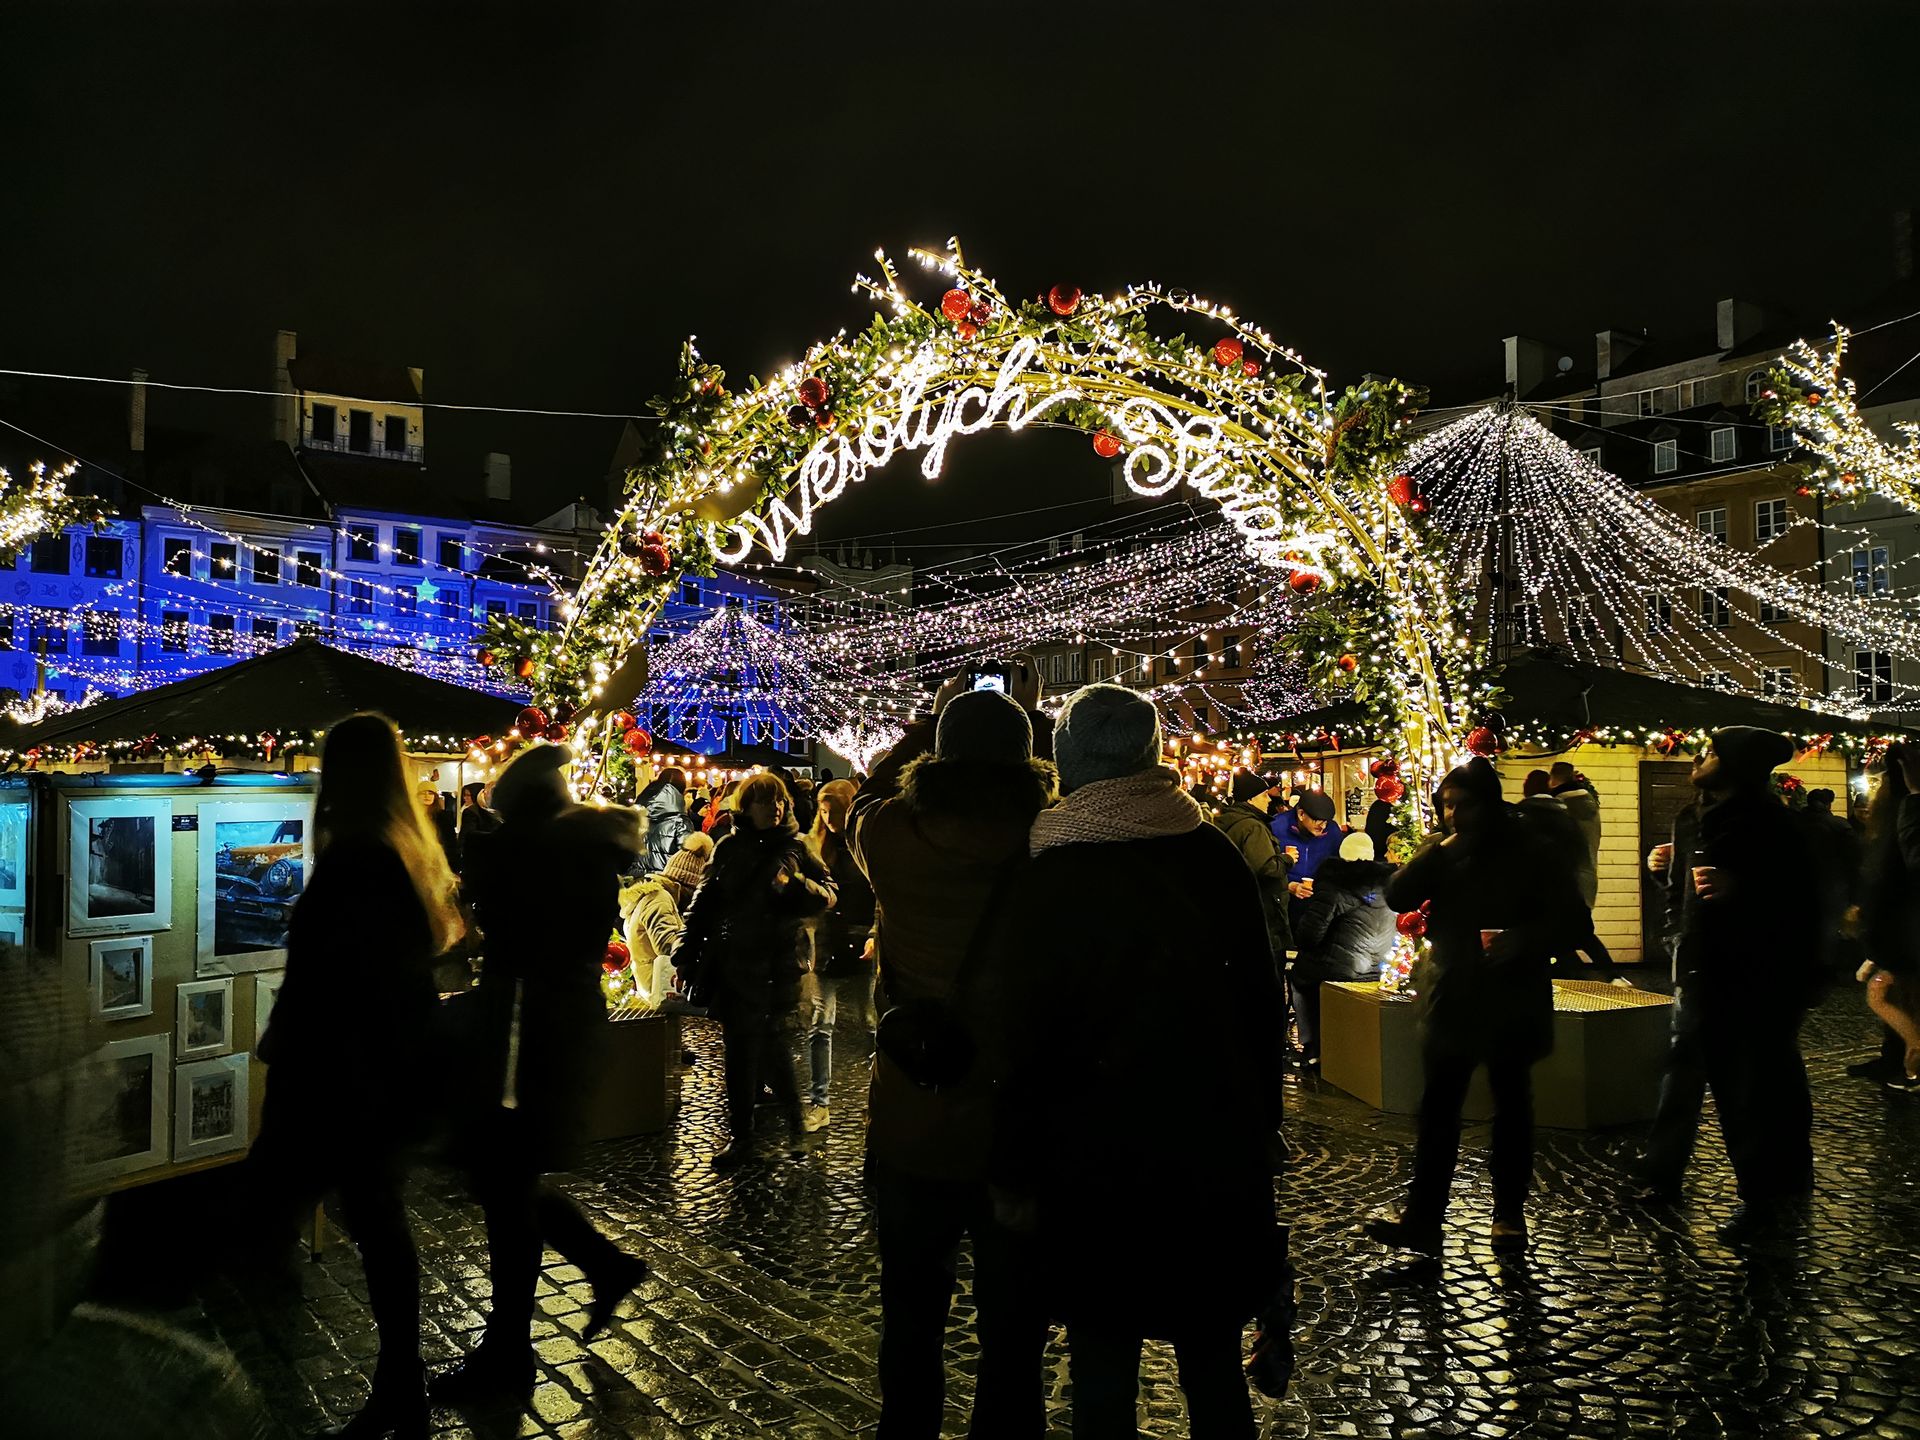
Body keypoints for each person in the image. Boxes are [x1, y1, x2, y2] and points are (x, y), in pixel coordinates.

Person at [985, 685, 1286, 1440]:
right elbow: (1260, 998)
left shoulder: (1052, 867)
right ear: (1151, 757)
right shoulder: (1210, 851)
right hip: (1208, 1139)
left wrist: (1014, 1167)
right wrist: (1263, 1125)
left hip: (1092, 1156)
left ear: (1069, 763)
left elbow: (1022, 1032)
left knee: (1102, 1361)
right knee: (1211, 1356)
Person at [849, 664, 1055, 1440]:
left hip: (916, 1102)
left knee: (910, 1308)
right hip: (1016, 1113)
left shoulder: (892, 837)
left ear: (937, 756)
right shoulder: (1050, 841)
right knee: (1015, 1320)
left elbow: (866, 796)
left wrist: (928, 724)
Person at [255, 714, 465, 1439]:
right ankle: (398, 1385)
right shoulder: (401, 853)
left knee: (299, 1222)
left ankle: (271, 1389)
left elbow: (327, 975)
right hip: (381, 1070)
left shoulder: (357, 860)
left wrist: (283, 1038)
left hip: (344, 1076)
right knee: (377, 1224)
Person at [436, 743, 650, 1404]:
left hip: (530, 1035)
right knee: (506, 1180)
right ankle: (597, 1273)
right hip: (543, 1029)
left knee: (505, 1180)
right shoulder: (578, 851)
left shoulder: (547, 857)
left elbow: (502, 922)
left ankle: (509, 1352)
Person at [1365, 758, 1584, 1255]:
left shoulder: (1533, 850)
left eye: (1462, 805)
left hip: (1513, 993)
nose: (1452, 814)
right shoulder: (1445, 851)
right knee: (1439, 1109)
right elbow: (1399, 894)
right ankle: (1424, 1218)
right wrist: (1440, 850)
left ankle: (1509, 1215)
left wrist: (1525, 939)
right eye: (1446, 805)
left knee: (1511, 1106)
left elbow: (1572, 919)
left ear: (1489, 803)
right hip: (1455, 994)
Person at [1635, 727, 1818, 1234]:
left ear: (1738, 765)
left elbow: (1800, 903)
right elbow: (1682, 896)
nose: (1700, 758)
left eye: (1712, 752)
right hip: (1697, 969)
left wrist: (1745, 890)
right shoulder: (1691, 818)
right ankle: (1663, 1176)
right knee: (1683, 1076)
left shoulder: (1771, 825)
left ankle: (1765, 1197)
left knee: (1750, 1087)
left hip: (1751, 974)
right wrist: (1669, 908)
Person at [672, 771, 836, 1168]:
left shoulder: (797, 846)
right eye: (766, 801)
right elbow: (704, 902)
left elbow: (828, 892)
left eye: (780, 801)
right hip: (736, 965)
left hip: (779, 967)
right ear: (746, 807)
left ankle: (795, 1126)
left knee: (771, 1048)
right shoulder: (728, 847)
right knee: (741, 1052)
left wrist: (797, 885)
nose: (776, 808)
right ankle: (743, 1136)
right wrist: (685, 950)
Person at [801, 778, 876, 1130]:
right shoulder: (815, 848)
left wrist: (875, 933)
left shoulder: (865, 845)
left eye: (834, 810)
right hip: (829, 945)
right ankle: (820, 1102)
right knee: (820, 1023)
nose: (829, 817)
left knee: (873, 1023)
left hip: (862, 942)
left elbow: (881, 894)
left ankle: (878, 1099)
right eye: (824, 810)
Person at [1289, 832, 1397, 1066]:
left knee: (1300, 977)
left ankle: (1312, 1047)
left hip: (1341, 969)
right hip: (1380, 966)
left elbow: (1308, 936)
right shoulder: (1388, 887)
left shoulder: (1334, 886)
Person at [1522, 770, 1624, 983]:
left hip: (1543, 888)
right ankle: (1612, 976)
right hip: (1571, 884)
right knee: (1582, 934)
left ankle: (1575, 976)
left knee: (1556, 936)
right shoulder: (1567, 816)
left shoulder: (1524, 816)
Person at [1858, 747, 1920, 1092]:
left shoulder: (1902, 814)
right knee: (1894, 997)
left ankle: (1913, 1060)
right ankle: (1905, 1062)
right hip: (1900, 935)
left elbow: (1899, 873)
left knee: (1883, 995)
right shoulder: (1901, 814)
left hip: (1904, 935)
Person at [1213, 769, 1294, 975]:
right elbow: (1266, 867)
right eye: (1264, 795)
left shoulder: (1230, 821)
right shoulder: (1253, 827)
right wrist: (1287, 859)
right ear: (1251, 798)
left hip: (1240, 912)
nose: (1268, 799)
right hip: (1265, 913)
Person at [621, 833, 713, 1009]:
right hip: (661, 989)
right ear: (687, 886)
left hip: (654, 988)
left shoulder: (657, 896)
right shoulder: (660, 898)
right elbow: (667, 946)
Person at [1272, 790, 1345, 922]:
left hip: (1319, 906)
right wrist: (1288, 885)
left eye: (1326, 821)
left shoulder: (1332, 831)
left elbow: (1338, 866)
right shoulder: (1276, 827)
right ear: (1301, 814)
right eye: (1318, 821)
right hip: (1282, 905)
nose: (1323, 826)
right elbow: (1264, 867)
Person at [637, 766, 691, 874]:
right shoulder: (680, 820)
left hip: (635, 879)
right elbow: (686, 859)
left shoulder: (638, 812)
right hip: (665, 881)